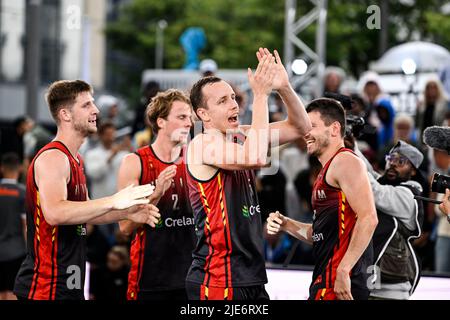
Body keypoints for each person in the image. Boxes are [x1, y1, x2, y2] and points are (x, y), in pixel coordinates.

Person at [13, 80, 160, 300]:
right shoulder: (53, 157)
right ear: (65, 114)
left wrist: (127, 212)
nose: (96, 110)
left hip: (68, 280)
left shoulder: (76, 159)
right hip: (46, 287)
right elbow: (54, 213)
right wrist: (113, 200)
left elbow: (88, 213)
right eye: (87, 105)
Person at [185, 48, 312, 300]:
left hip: (250, 275)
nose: (233, 104)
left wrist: (284, 87)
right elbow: (254, 157)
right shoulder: (202, 144)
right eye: (222, 101)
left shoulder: (240, 135)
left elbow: (301, 127)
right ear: (203, 114)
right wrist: (261, 96)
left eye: (233, 97)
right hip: (218, 280)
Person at [267, 97, 378, 300]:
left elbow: (369, 217)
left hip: (339, 281)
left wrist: (344, 270)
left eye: (312, 126)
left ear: (335, 129)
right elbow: (317, 235)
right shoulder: (327, 170)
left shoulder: (344, 161)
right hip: (326, 278)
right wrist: (286, 224)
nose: (305, 133)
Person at [118, 89, 196, 300]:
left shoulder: (197, 160)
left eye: (190, 117)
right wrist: (156, 193)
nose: (189, 123)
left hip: (195, 277)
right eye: (181, 117)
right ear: (161, 122)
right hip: (151, 278)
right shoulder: (135, 162)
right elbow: (125, 227)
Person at [354, 140, 424, 299]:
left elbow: (374, 190)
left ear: (413, 170)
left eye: (401, 161)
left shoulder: (409, 194)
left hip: (392, 291)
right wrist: (353, 148)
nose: (393, 164)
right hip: (371, 284)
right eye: (390, 159)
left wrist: (350, 158)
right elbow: (370, 173)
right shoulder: (388, 186)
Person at [0, 152, 26, 300]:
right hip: (15, 252)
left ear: (2, 168)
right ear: (20, 168)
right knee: (12, 292)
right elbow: (25, 226)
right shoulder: (23, 193)